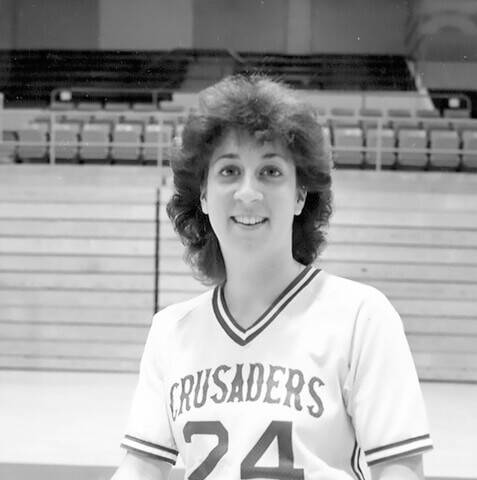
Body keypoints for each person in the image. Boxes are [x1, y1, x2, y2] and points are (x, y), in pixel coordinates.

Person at [111, 75, 433, 480]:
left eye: (270, 171)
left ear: (300, 194)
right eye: (229, 171)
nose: (247, 192)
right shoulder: (170, 332)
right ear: (204, 196)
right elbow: (141, 469)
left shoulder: (362, 318)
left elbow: (398, 470)